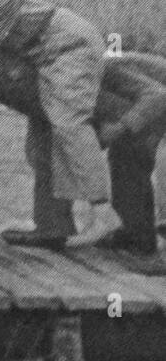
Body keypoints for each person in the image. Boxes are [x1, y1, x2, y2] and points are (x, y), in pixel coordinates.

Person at [0, 0, 114, 246]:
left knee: (69, 124)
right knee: (41, 146)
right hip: (46, 55)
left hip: (69, 46)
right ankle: (52, 225)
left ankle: (103, 213)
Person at [22, 50, 166, 271]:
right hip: (149, 105)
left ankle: (144, 245)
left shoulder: (106, 70)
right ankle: (133, 236)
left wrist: (119, 127)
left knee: (132, 157)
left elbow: (157, 96)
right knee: (126, 156)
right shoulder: (74, 77)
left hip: (156, 100)